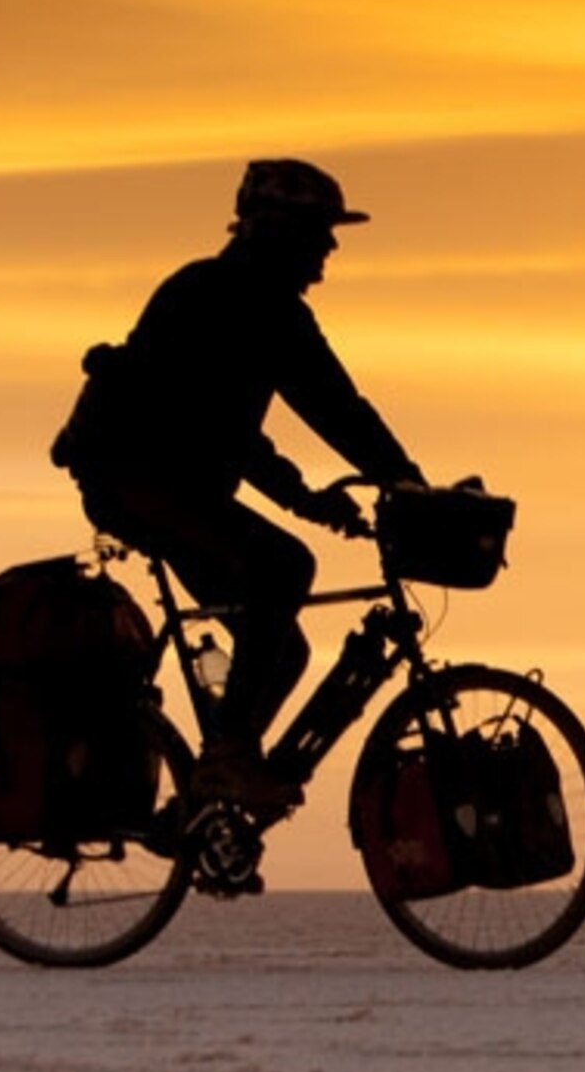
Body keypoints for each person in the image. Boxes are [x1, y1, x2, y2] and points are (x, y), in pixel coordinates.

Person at [54, 159, 425, 812]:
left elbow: (335, 406)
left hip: (181, 483)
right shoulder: (212, 295)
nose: (330, 248)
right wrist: (328, 495)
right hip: (133, 478)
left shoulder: (272, 309)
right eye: (319, 232)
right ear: (278, 231)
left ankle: (207, 796)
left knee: (283, 645)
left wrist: (395, 483)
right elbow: (217, 425)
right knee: (283, 569)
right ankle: (228, 760)